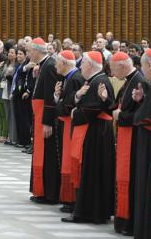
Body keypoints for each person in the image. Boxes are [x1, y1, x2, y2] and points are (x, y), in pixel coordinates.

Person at [63, 51, 115, 224]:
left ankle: (88, 212)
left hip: (96, 133)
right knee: (91, 172)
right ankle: (91, 210)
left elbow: (93, 109)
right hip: (94, 132)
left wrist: (75, 112)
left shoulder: (100, 81)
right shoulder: (93, 81)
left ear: (91, 64)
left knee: (92, 172)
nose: (80, 65)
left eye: (83, 62)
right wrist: (76, 100)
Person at [109, 52, 144, 235]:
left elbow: (141, 115)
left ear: (122, 66)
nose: (113, 74)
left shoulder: (138, 81)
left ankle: (129, 222)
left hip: (134, 139)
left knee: (130, 180)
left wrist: (120, 115)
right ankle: (124, 221)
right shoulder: (128, 81)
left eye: (114, 69)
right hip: (125, 137)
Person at [29, 38, 61, 205]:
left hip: (45, 118)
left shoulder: (49, 66)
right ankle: (41, 191)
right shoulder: (43, 65)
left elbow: (50, 97)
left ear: (36, 50)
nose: (28, 54)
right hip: (40, 115)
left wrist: (47, 121)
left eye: (29, 51)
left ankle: (49, 194)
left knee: (48, 156)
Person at [53, 50, 84, 214]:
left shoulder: (74, 79)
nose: (55, 65)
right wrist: (58, 97)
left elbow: (68, 106)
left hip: (72, 125)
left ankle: (71, 199)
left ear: (64, 63)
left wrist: (59, 101)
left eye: (57, 62)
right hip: (67, 125)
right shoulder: (69, 78)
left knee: (69, 162)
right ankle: (68, 199)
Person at [132, 48, 151, 239]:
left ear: (149, 65)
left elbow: (146, 116)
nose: (142, 70)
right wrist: (143, 100)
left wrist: (136, 113)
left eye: (142, 65)